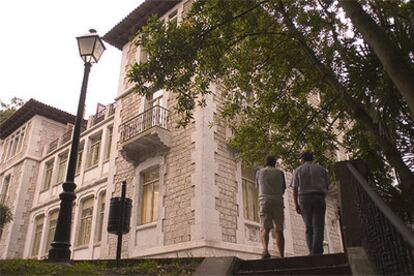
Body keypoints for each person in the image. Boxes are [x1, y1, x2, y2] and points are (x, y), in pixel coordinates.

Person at [291, 152, 330, 255]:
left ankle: (312, 252)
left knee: (309, 226)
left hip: (304, 198)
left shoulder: (298, 170)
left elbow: (295, 188)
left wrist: (296, 204)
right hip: (318, 196)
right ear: (312, 159)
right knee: (319, 225)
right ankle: (317, 251)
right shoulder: (321, 169)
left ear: (302, 159)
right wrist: (322, 196)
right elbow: (327, 186)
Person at [256, 155, 286, 259]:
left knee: (265, 228)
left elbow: (258, 186)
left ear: (266, 162)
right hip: (278, 201)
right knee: (279, 229)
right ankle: (281, 255)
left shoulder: (260, 172)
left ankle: (265, 250)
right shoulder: (280, 173)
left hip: (264, 201)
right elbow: (283, 189)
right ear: (275, 163)